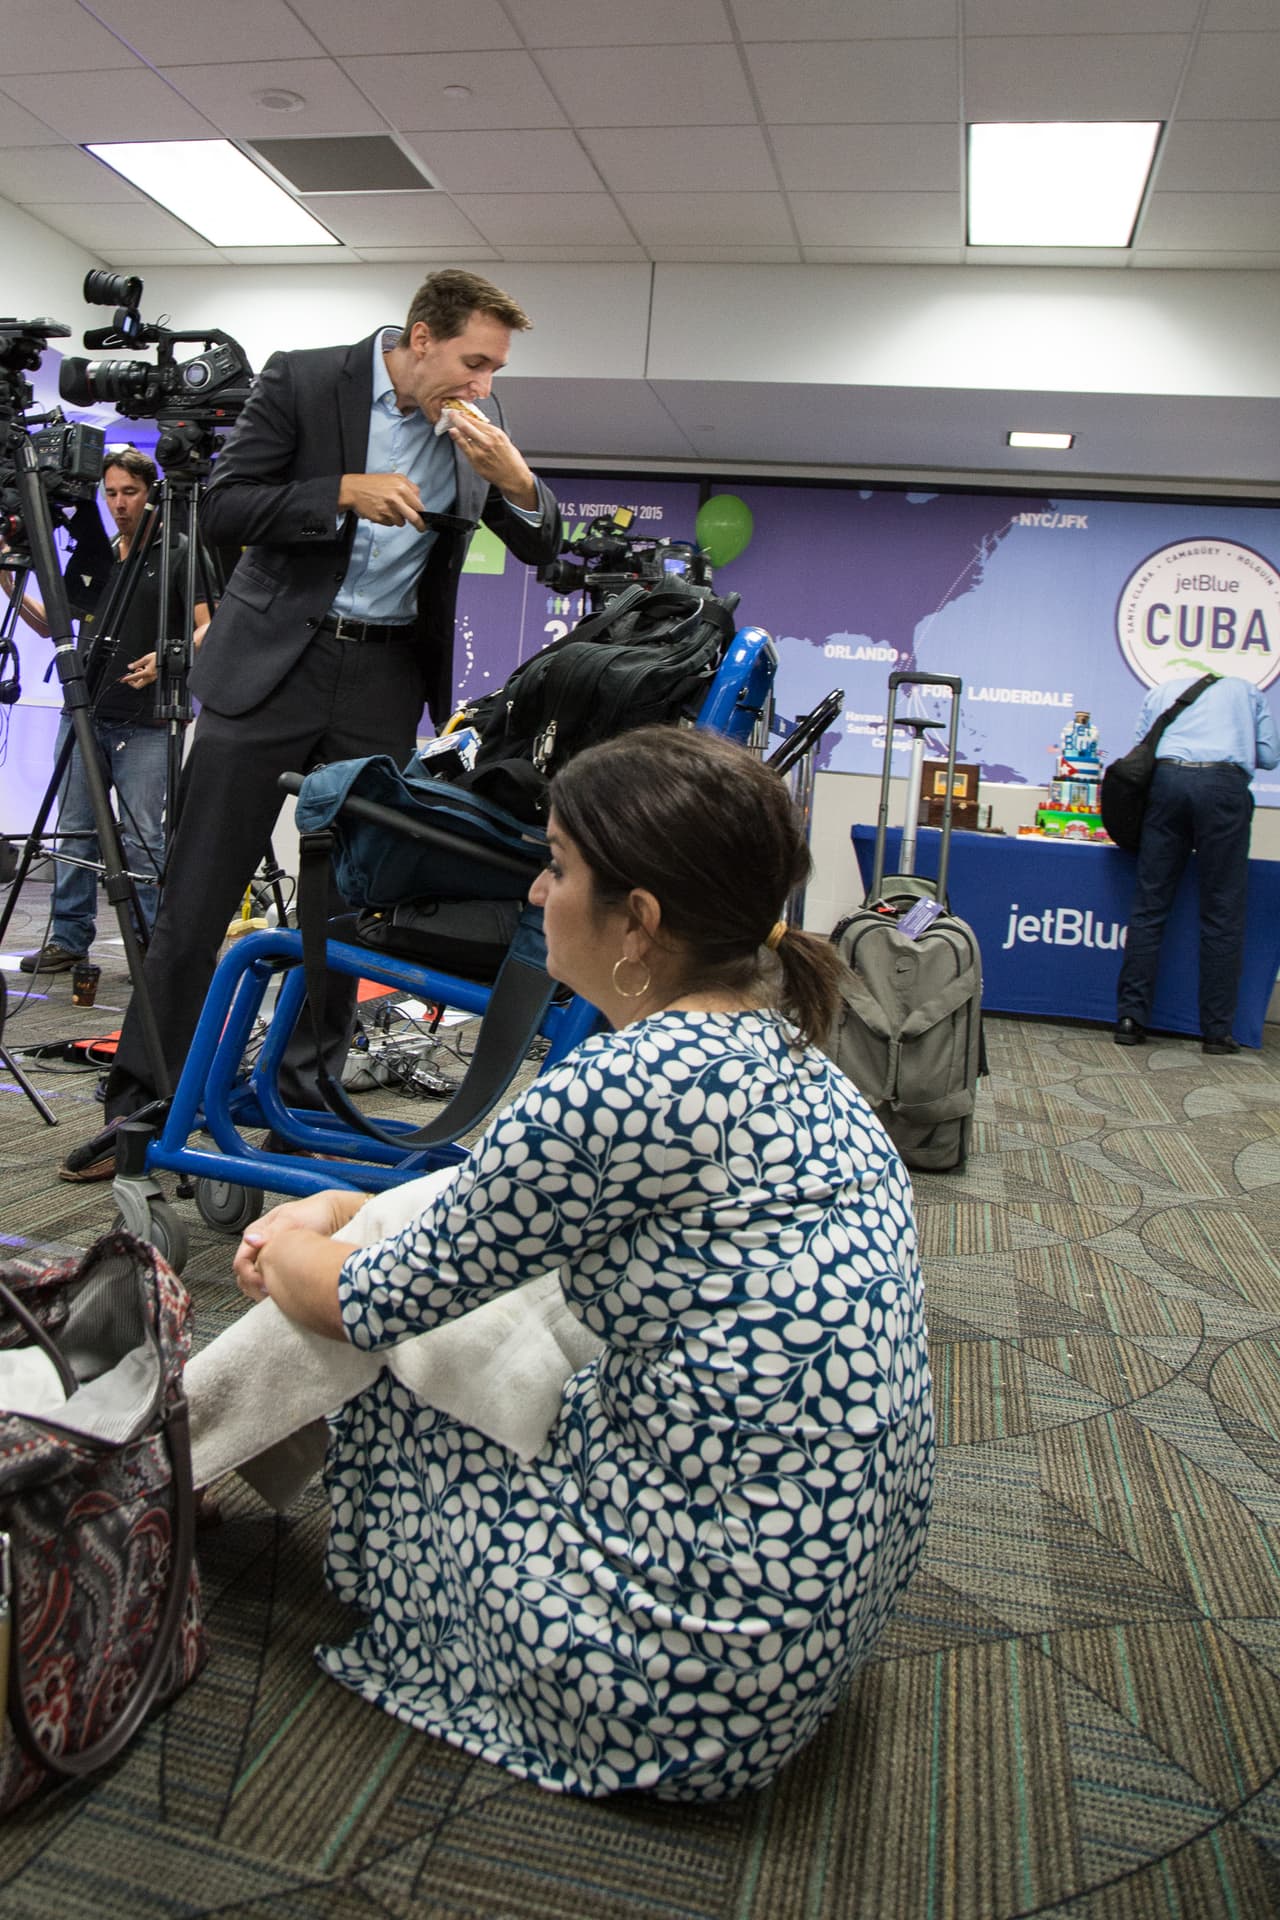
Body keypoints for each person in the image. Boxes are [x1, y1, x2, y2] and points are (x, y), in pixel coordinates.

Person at [185, 726, 935, 1802]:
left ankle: (162, 1459)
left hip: (670, 1683)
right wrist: (359, 1213)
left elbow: (367, 1304)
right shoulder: (782, 1052)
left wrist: (295, 1248)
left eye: (557, 866)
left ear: (637, 922)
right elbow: (503, 1200)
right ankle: (188, 1455)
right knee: (406, 1248)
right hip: (797, 1629)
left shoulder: (618, 1086)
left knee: (367, 1349)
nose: (538, 895)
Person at [64, 268, 562, 1180]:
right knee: (199, 891)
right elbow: (226, 507)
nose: (485, 384)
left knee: (350, 906)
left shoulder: (473, 426)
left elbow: (552, 548)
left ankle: (302, 1096)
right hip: (270, 668)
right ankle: (142, 1106)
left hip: (381, 678)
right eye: (474, 361)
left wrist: (517, 479)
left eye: (493, 368)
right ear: (420, 338)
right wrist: (340, 490)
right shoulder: (302, 379)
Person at [3, 448, 210, 975]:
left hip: (149, 720)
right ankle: (70, 939)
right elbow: (57, 627)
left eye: (130, 493)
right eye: (111, 493)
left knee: (144, 840)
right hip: (84, 711)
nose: (120, 504)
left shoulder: (179, 552)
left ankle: (151, 946)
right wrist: (9, 580)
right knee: (75, 831)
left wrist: (167, 660)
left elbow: (212, 624)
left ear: (152, 492)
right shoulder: (94, 555)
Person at [1114, 670, 1279, 1053]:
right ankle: (1216, 1033)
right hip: (1224, 787)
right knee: (1221, 911)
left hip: (1167, 784)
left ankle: (1129, 1020)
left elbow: (1142, 747)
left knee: (1149, 907)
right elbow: (1270, 757)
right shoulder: (1248, 690)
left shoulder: (1160, 691)